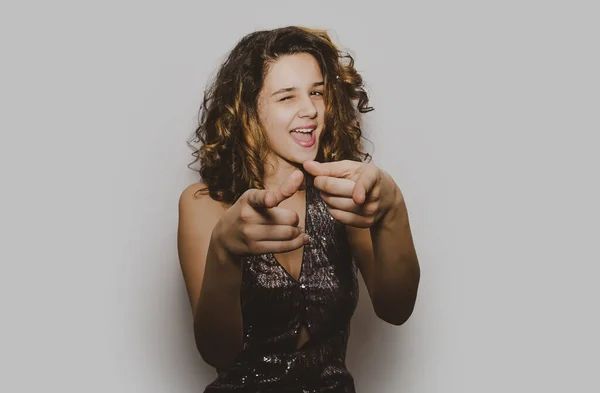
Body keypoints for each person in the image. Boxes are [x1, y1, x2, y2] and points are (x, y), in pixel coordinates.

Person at [177, 25, 420, 393]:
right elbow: (218, 352)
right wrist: (224, 250)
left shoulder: (342, 195)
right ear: (247, 110)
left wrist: (393, 210)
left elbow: (396, 309)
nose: (310, 110)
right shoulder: (205, 203)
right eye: (287, 97)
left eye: (317, 93)